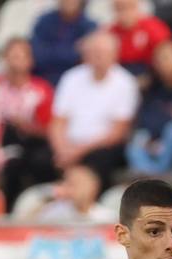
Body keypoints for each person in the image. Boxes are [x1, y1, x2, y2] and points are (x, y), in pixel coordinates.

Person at [0, 37, 55, 210]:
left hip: (24, 142)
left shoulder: (41, 90)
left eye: (20, 57)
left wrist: (26, 126)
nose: (16, 62)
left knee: (19, 163)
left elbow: (48, 130)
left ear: (30, 61)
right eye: (12, 56)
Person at [49, 31, 140, 188]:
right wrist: (61, 149)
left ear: (114, 55)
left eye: (102, 53)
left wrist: (78, 152)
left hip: (100, 147)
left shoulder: (125, 83)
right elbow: (58, 121)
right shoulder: (70, 78)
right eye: (93, 52)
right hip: (68, 145)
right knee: (41, 159)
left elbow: (118, 132)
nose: (98, 57)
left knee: (100, 160)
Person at [126, 40, 172, 175]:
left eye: (168, 57)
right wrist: (155, 138)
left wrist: (162, 132)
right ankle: (147, 176)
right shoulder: (152, 87)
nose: (163, 63)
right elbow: (145, 116)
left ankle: (156, 177)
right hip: (155, 139)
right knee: (138, 137)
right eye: (159, 58)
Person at [32, 0, 98, 88]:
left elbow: (89, 61)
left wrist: (52, 50)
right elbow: (38, 55)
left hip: (78, 85)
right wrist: (74, 51)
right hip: (45, 81)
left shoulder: (90, 27)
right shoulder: (44, 22)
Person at [109, 0, 172, 76]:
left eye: (129, 7)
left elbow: (167, 54)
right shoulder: (111, 32)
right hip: (122, 74)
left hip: (151, 73)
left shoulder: (153, 27)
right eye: (120, 8)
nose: (125, 12)